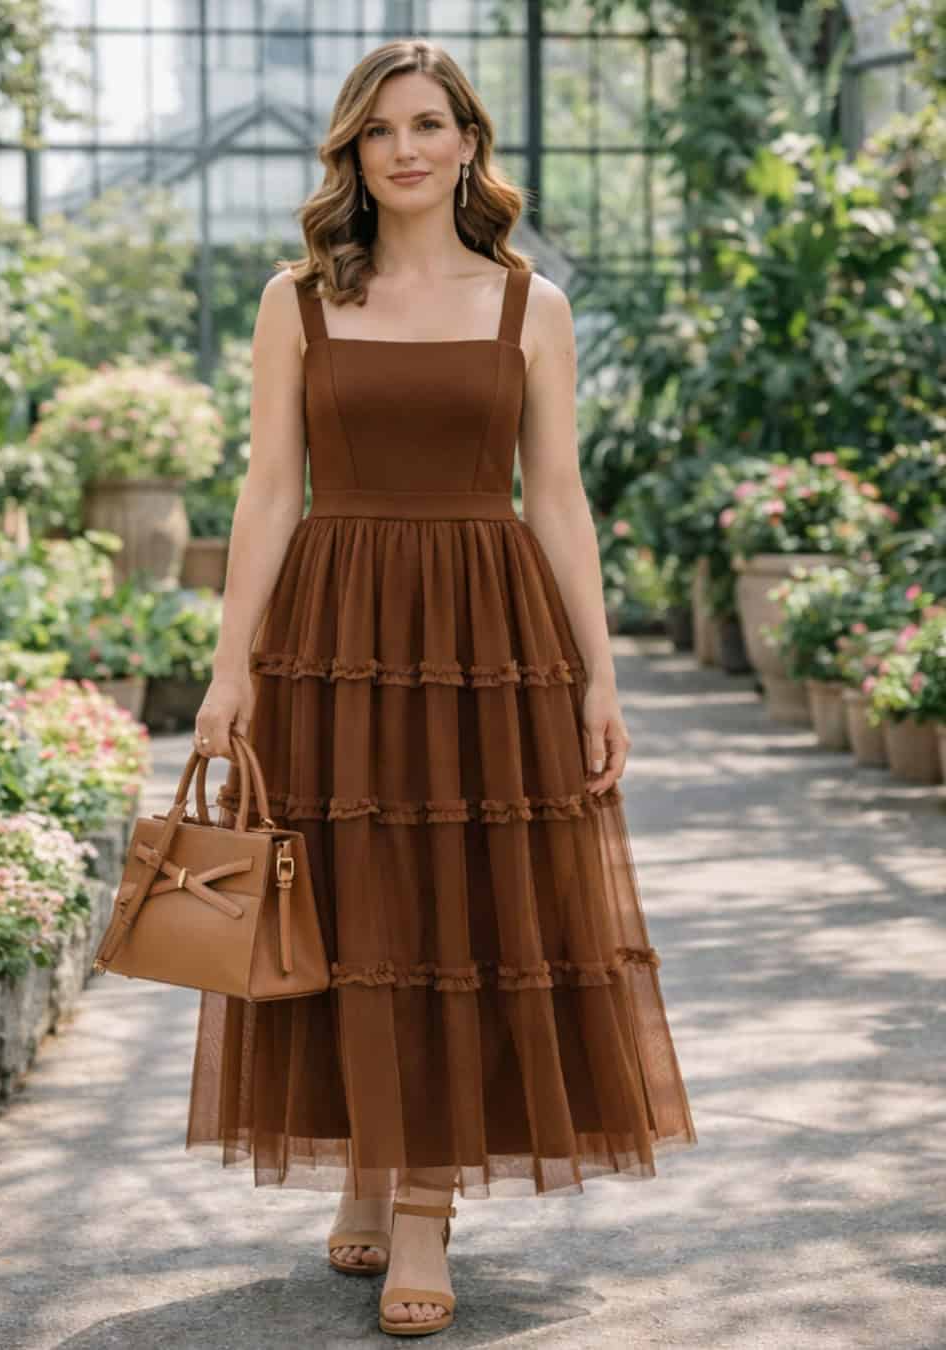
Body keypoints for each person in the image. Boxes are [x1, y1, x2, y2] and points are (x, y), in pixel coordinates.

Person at [185, 37, 697, 1339]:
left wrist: (598, 675)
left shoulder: (533, 307)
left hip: (487, 630)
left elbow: (560, 499)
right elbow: (267, 491)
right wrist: (228, 667)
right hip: (336, 624)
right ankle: (364, 1152)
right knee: (352, 896)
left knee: (457, 909)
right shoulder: (296, 298)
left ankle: (422, 1200)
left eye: (428, 124)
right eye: (378, 131)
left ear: (470, 141)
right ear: (354, 155)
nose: (404, 149)